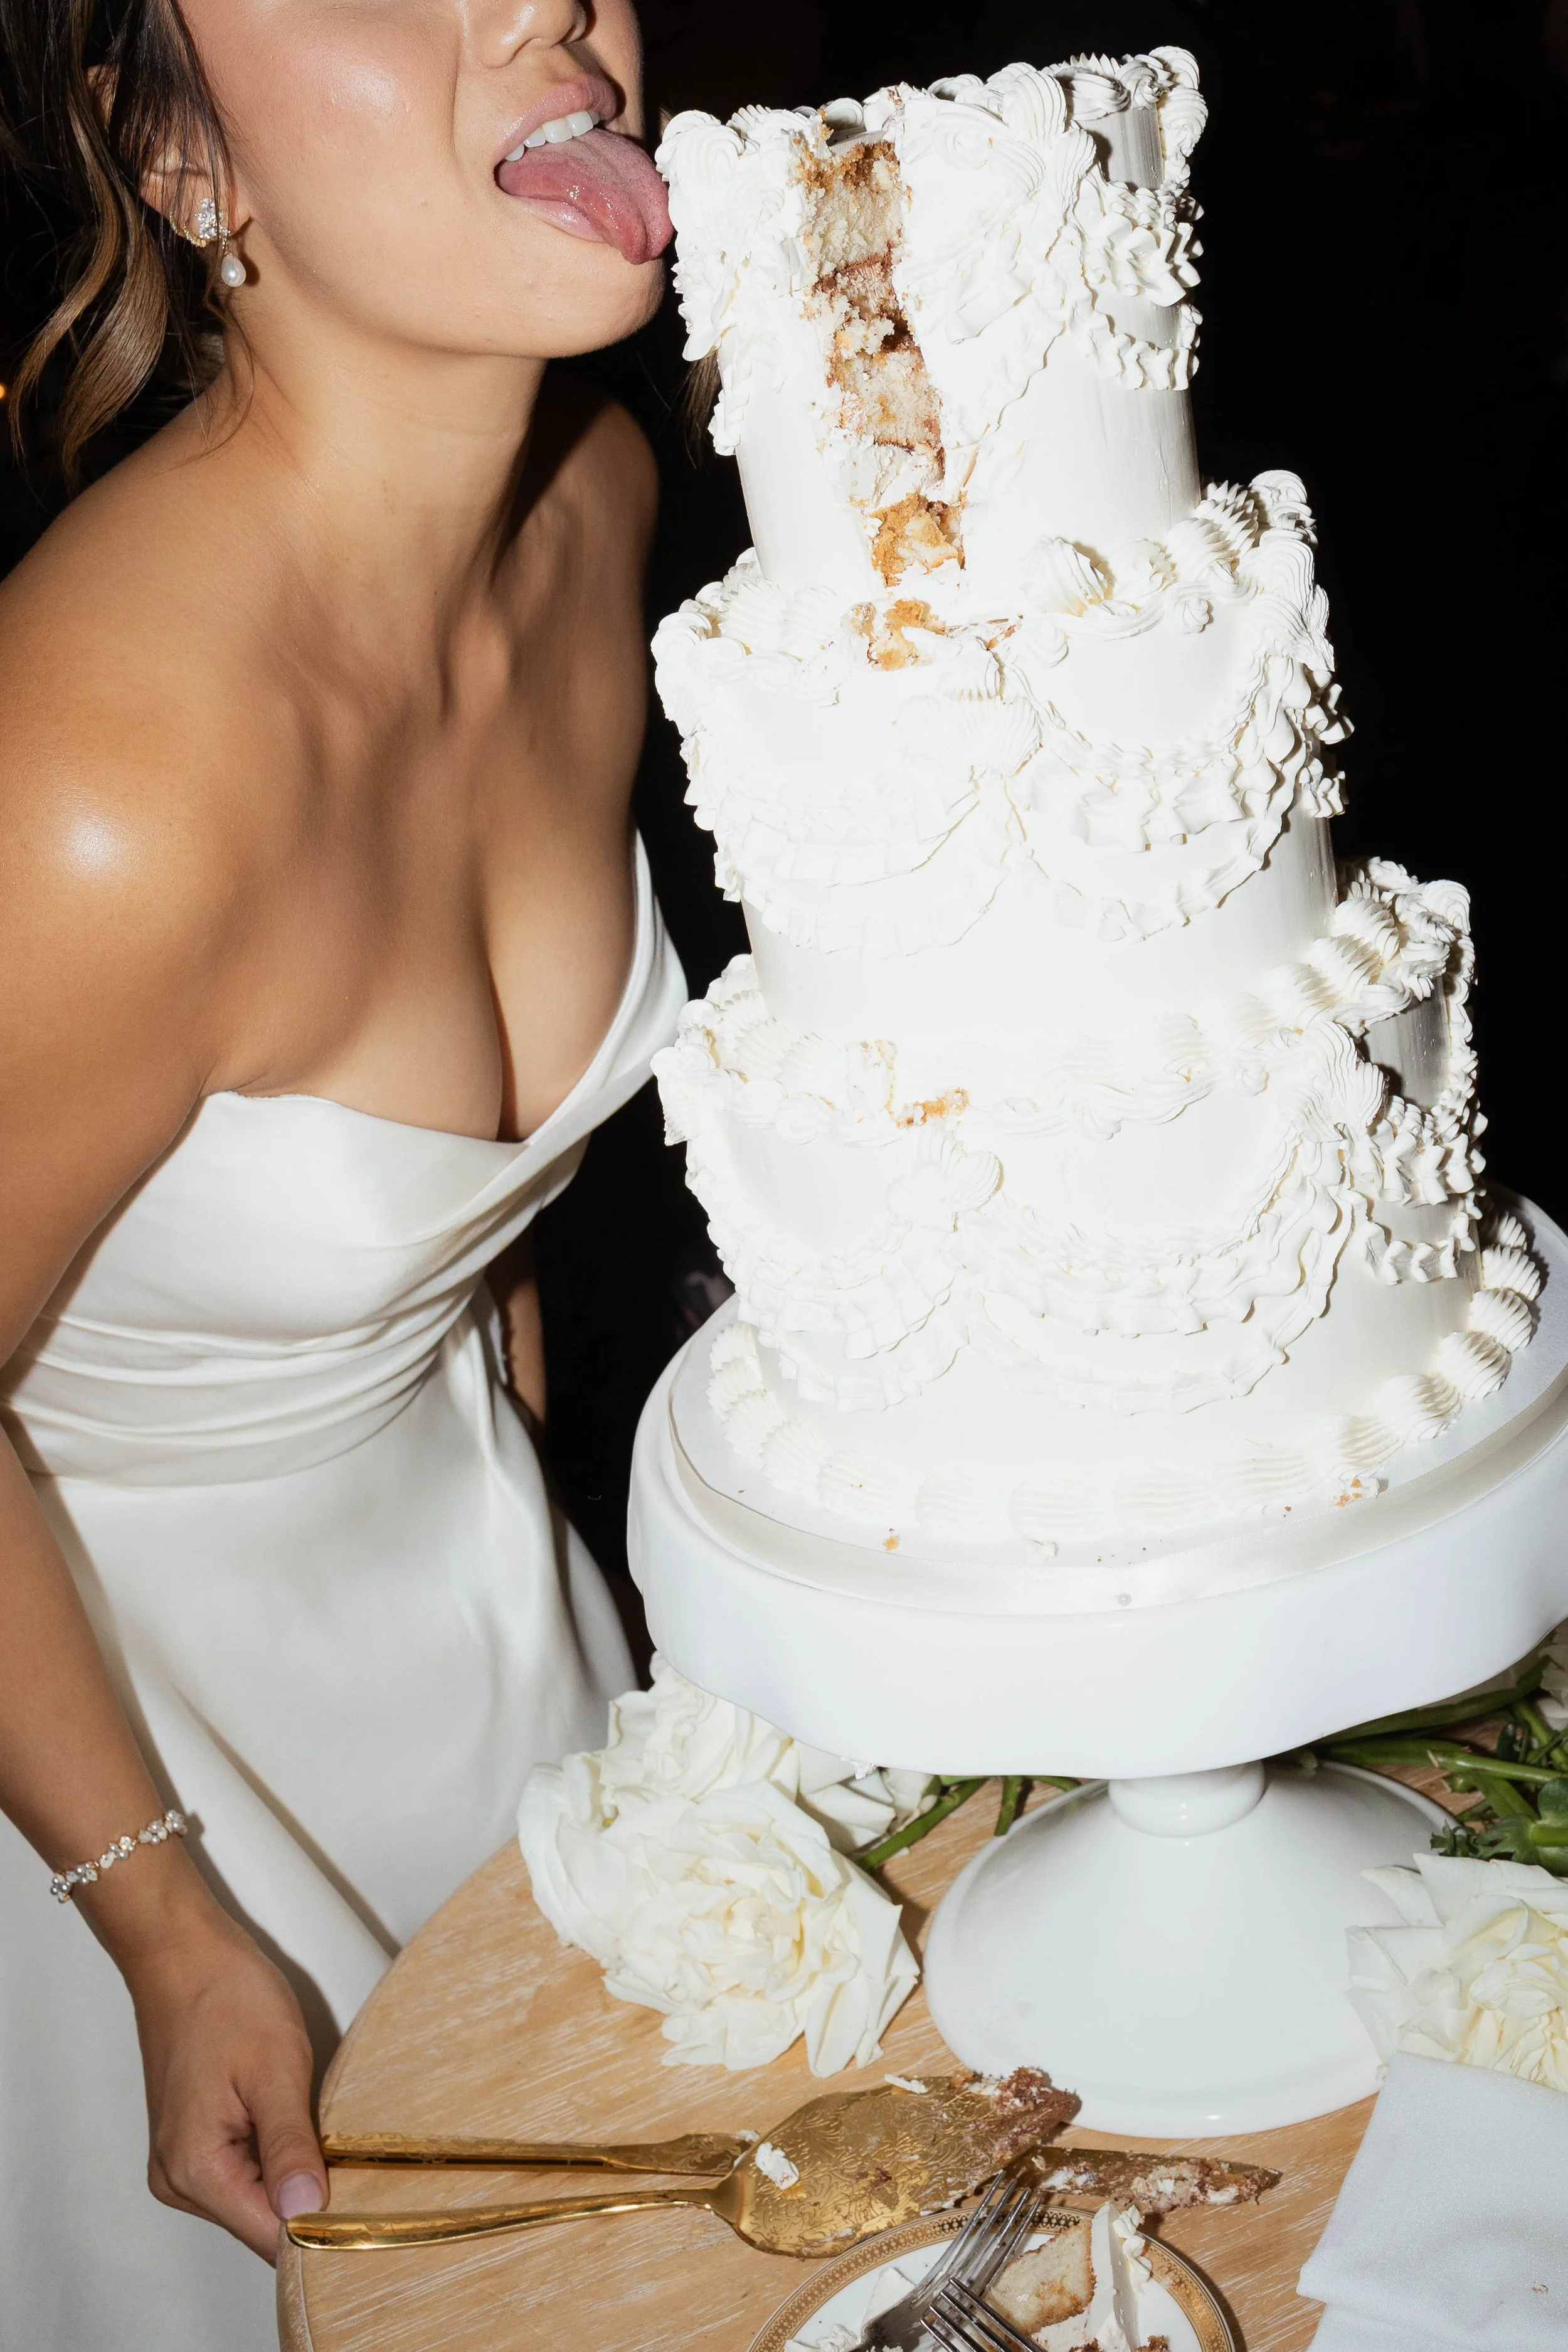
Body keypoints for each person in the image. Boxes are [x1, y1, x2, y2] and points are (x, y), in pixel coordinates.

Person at [0, 2, 680, 2343]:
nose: (542, 3)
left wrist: (447, 1277)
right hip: (119, 1755)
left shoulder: (596, 504)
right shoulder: (98, 769)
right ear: (178, 154)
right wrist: (163, 1926)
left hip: (498, 1622)